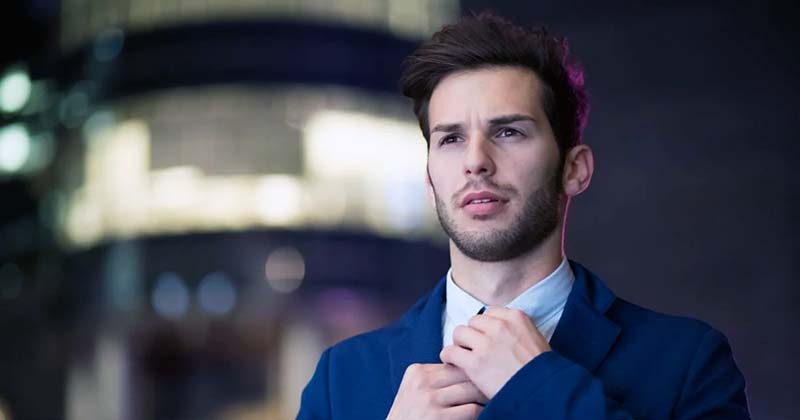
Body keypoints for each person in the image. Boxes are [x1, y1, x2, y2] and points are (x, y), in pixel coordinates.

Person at [297, 13, 750, 420]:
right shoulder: (342, 379)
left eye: (509, 131)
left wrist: (539, 386)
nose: (476, 161)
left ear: (574, 170)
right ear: (430, 177)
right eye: (451, 139)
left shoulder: (688, 363)